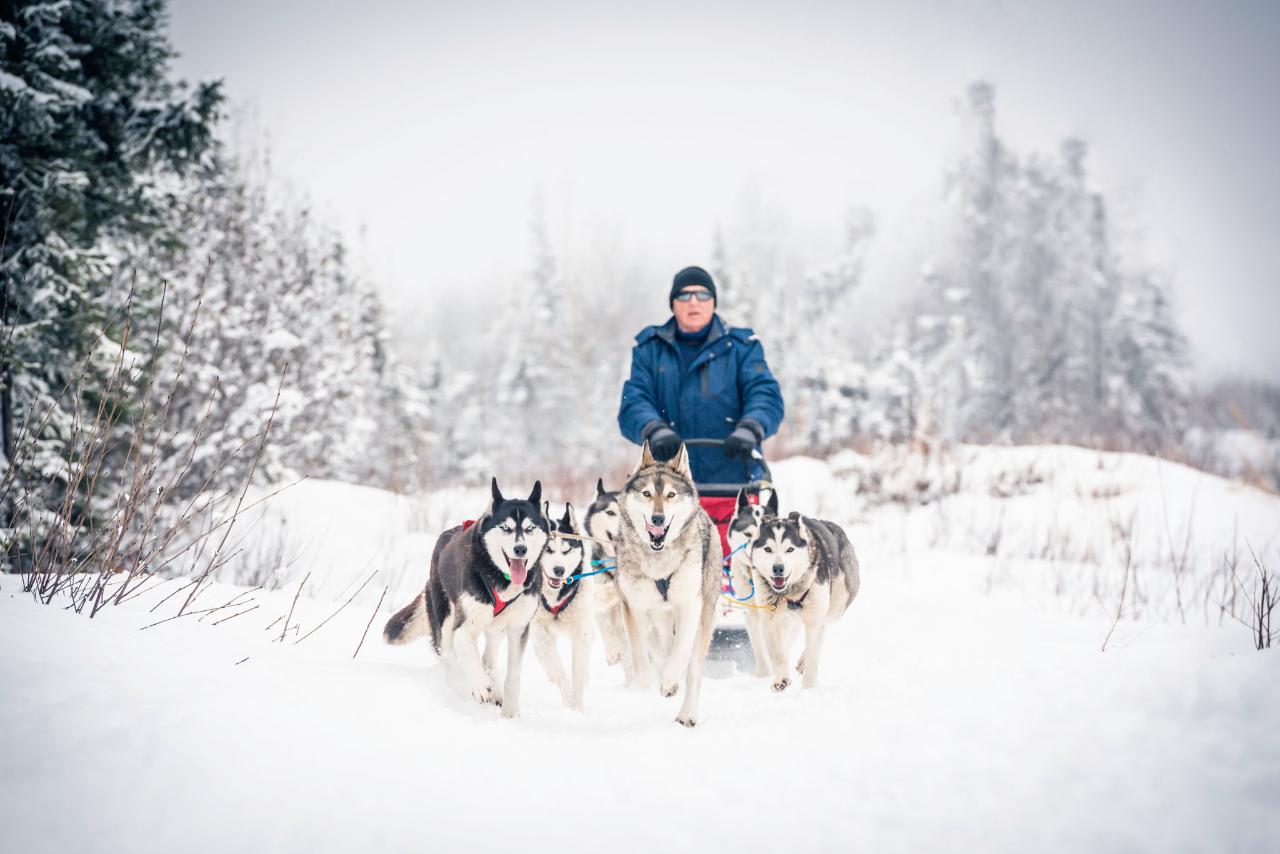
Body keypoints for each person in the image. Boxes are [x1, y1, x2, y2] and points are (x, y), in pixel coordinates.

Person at [617, 265, 784, 553]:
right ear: (673, 304)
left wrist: (750, 428)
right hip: (667, 493)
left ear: (714, 301)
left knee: (738, 575)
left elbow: (765, 394)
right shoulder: (649, 350)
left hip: (734, 485)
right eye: (684, 295)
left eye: (702, 294)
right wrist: (654, 430)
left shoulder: (742, 347)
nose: (693, 302)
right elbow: (634, 402)